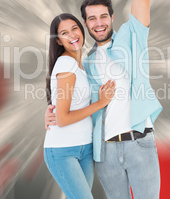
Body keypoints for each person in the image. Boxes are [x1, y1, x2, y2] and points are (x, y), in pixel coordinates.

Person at [45, 0, 163, 199]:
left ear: (111, 17)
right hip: (105, 152)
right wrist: (51, 113)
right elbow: (75, 100)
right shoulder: (83, 64)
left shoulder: (132, 36)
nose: (98, 23)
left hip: (140, 143)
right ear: (86, 24)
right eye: (91, 19)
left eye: (102, 16)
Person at [43, 13, 116, 199]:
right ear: (58, 41)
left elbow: (71, 104)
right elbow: (63, 118)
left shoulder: (80, 66)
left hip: (85, 147)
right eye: (64, 33)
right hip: (63, 150)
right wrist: (100, 103)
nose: (72, 35)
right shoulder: (66, 64)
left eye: (74, 28)